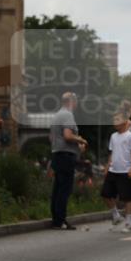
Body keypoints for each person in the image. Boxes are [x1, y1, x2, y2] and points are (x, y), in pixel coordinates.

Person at [46, 91, 87, 229]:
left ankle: (56, 219)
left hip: (57, 155)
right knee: (65, 189)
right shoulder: (68, 115)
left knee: (58, 188)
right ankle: (61, 220)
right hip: (66, 157)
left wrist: (76, 146)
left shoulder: (56, 115)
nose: (77, 104)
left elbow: (51, 137)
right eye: (76, 101)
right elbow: (68, 135)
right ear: (72, 101)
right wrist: (80, 140)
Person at [101, 113, 131, 234]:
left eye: (117, 119)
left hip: (125, 171)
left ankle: (129, 223)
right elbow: (111, 153)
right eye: (113, 119)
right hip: (113, 170)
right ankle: (116, 215)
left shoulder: (130, 136)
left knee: (127, 198)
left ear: (124, 121)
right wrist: (107, 167)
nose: (114, 121)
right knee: (105, 194)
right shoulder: (113, 136)